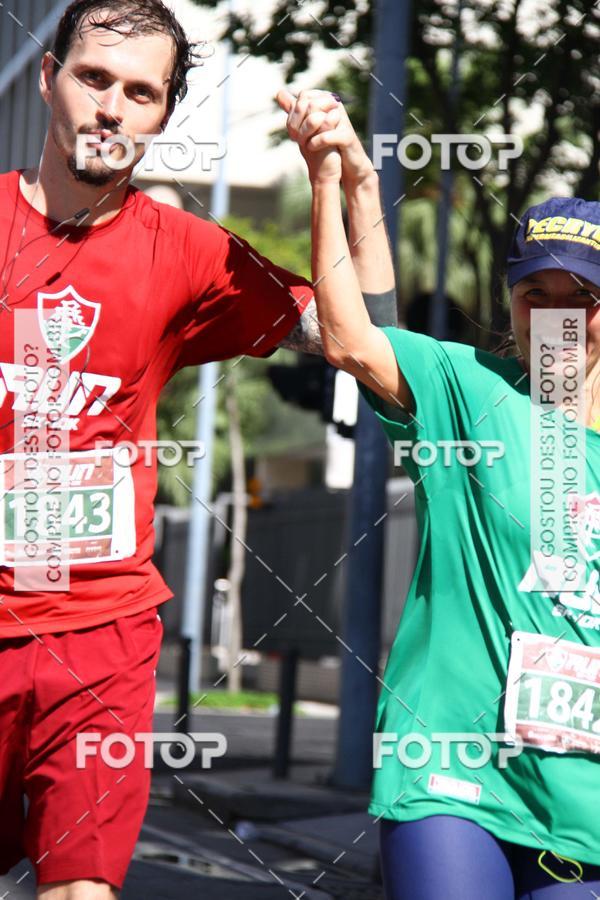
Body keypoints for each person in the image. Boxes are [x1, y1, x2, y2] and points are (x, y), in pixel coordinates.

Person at [0, 1, 397, 897]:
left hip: (101, 630)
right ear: (47, 78)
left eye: (141, 92)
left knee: (80, 887)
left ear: (164, 116)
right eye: (93, 78)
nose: (112, 108)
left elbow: (369, 341)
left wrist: (351, 186)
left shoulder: (187, 253)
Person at [300, 100, 600, 898]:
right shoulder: (473, 393)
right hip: (450, 771)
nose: (559, 317)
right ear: (510, 303)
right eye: (536, 294)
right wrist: (337, 184)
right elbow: (354, 337)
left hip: (582, 801)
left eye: (583, 297)